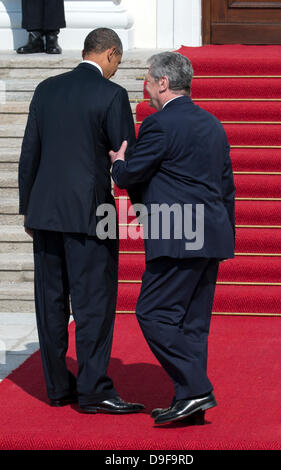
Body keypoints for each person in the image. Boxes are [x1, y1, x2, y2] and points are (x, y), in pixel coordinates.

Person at [18, 28, 144, 415]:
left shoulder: (46, 89)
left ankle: (57, 388)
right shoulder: (112, 94)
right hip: (92, 215)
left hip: (45, 214)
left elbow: (29, 153)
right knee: (94, 305)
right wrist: (143, 207)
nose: (116, 69)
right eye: (118, 62)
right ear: (109, 53)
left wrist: (28, 209)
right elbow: (125, 157)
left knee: (50, 303)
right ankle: (93, 391)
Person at [110, 52, 235, 425]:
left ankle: (196, 388)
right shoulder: (213, 124)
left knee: (152, 313)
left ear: (163, 83)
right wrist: (224, 233)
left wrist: (118, 160)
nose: (145, 88)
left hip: (177, 235)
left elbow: (129, 175)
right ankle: (189, 403)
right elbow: (227, 185)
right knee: (193, 324)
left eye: (147, 80)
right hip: (211, 234)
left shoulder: (160, 125)